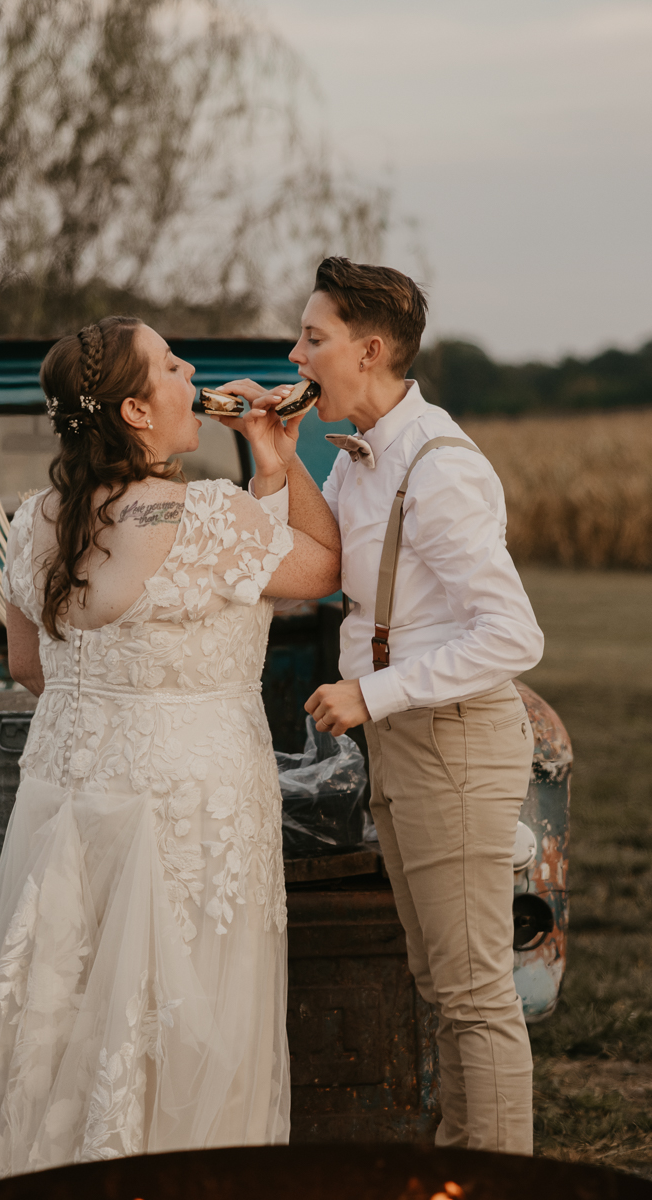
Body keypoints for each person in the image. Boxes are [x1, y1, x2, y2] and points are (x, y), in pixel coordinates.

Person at [0, 316, 340, 1192]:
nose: (191, 368)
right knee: (179, 1022)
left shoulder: (34, 517)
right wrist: (275, 454)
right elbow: (320, 568)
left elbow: (25, 666)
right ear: (135, 407)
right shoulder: (204, 512)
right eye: (170, 361)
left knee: (64, 1017)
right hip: (192, 810)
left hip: (69, 803)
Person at [215, 258, 544, 1156]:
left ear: (367, 351)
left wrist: (372, 691)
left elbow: (514, 636)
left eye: (311, 339)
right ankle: (458, 1165)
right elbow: (318, 559)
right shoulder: (361, 453)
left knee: (474, 991)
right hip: (405, 741)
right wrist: (275, 459)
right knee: (438, 980)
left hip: (454, 741)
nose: (294, 353)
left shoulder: (438, 466)